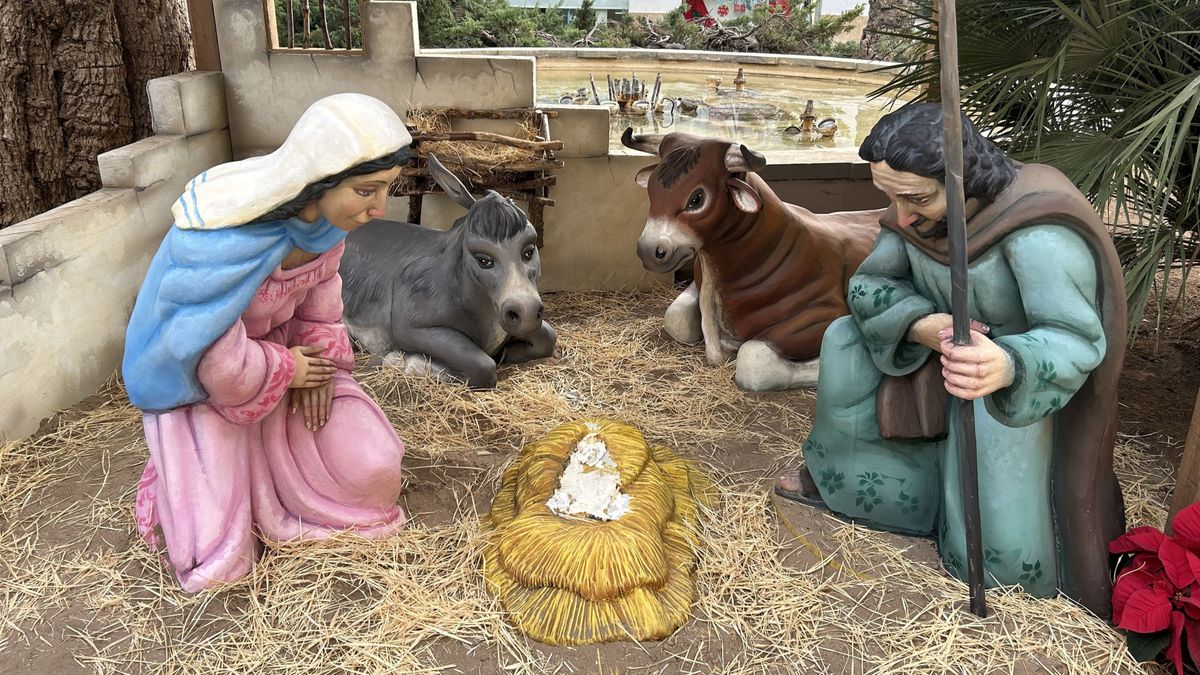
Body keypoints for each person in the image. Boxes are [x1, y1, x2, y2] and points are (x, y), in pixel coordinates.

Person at [775, 103, 1126, 617]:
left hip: (1012, 388)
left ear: (963, 180)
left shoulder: (1036, 231)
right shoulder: (914, 220)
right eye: (889, 197)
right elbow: (871, 285)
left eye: (915, 197)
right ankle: (865, 490)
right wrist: (919, 325)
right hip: (934, 352)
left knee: (997, 517)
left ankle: (996, 564)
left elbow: (1075, 338)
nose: (900, 216)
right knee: (844, 341)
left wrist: (1006, 365)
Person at [123, 93, 412, 592]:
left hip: (288, 373)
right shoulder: (222, 239)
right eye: (366, 191)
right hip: (207, 396)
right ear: (319, 181)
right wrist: (288, 370)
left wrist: (318, 370)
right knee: (221, 562)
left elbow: (322, 308)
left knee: (376, 468)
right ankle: (187, 487)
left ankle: (292, 496)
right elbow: (210, 354)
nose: (379, 209)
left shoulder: (326, 230)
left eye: (387, 189)